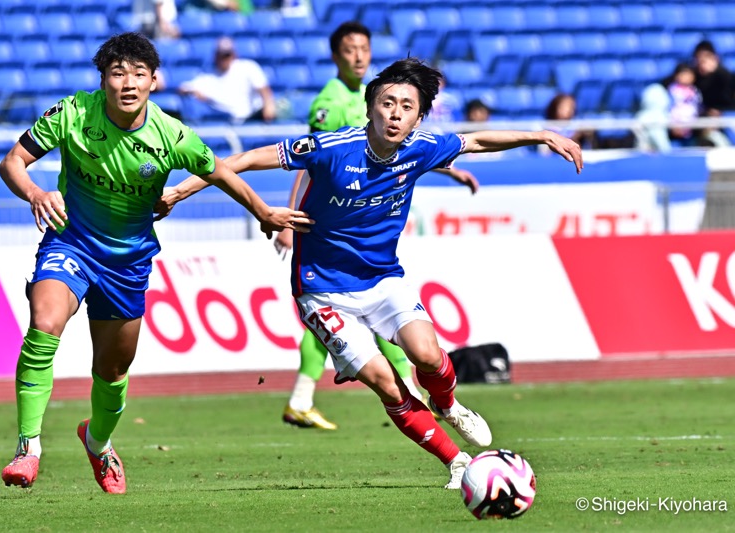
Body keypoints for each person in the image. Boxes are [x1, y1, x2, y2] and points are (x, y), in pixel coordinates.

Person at [158, 58, 583, 488]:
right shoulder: (331, 148)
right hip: (322, 290)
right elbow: (246, 159)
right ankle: (456, 462)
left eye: (406, 106)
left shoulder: (421, 148)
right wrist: (178, 190)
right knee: (386, 382)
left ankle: (450, 406)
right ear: (370, 109)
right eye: (387, 103)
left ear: (419, 117)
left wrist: (542, 134)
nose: (395, 113)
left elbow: (478, 142)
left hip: (382, 279)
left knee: (429, 355)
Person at [0, 32, 310, 493]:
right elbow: (12, 163)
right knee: (44, 324)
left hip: (127, 262)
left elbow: (218, 170)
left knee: (113, 370)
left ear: (154, 81)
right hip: (70, 245)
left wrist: (263, 212)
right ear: (102, 80)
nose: (128, 83)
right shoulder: (71, 114)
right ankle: (28, 448)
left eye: (138, 74)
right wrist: (37, 192)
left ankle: (98, 443)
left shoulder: (170, 134)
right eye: (117, 73)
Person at [275, 21, 478, 430]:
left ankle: (409, 395)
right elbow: (312, 163)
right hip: (329, 233)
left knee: (396, 329)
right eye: (349, 49)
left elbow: (398, 153)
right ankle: (319, 395)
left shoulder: (386, 97)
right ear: (336, 55)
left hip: (368, 245)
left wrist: (447, 169)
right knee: (333, 317)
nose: (359, 56)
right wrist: (289, 216)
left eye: (364, 48)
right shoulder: (331, 102)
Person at [178, 37, 276, 124]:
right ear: (216, 56)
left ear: (234, 54)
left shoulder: (247, 67)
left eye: (227, 55)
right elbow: (184, 88)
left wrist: (268, 105)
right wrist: (195, 93)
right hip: (232, 121)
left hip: (254, 115)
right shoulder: (208, 77)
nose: (224, 59)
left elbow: (263, 88)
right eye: (221, 55)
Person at [692, 40, 733, 147]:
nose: (702, 62)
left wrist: (718, 112)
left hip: (725, 118)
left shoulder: (725, 76)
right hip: (705, 121)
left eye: (706, 57)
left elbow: (727, 100)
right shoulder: (694, 77)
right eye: (699, 59)